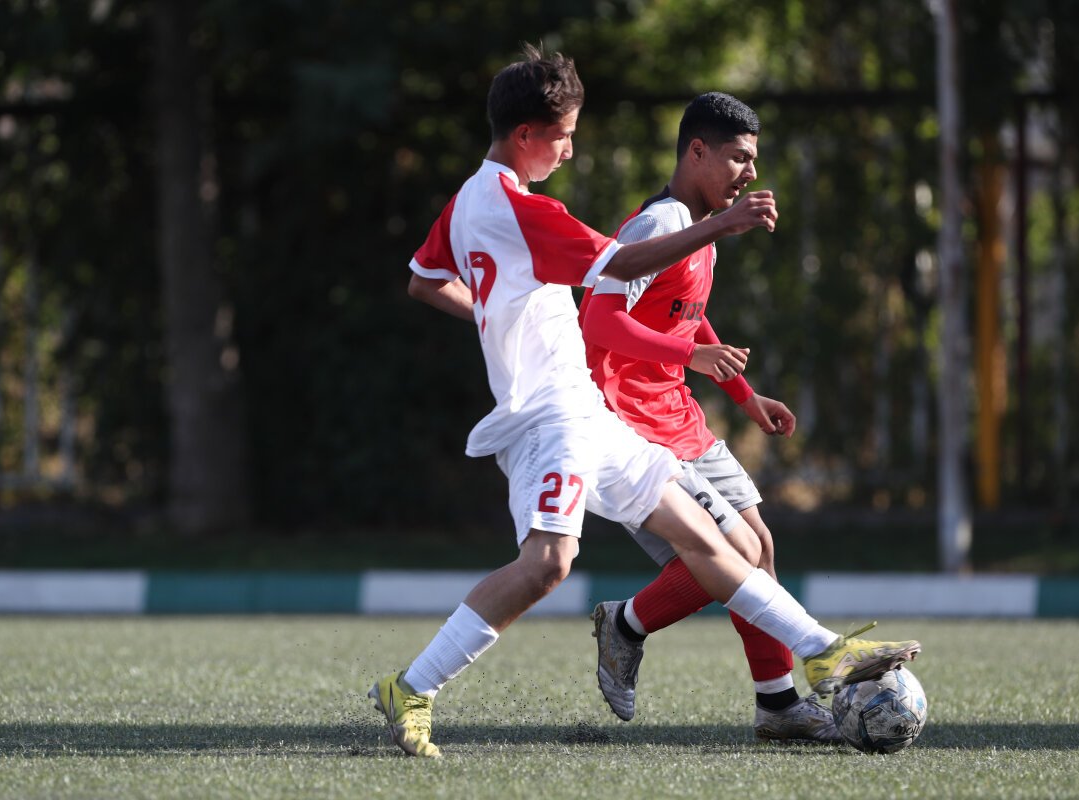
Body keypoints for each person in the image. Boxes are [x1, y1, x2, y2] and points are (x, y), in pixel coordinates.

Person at [368, 44, 920, 759]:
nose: (569, 151)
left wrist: (496, 315)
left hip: (586, 411)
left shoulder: (467, 200)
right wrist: (720, 224)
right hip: (550, 416)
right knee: (547, 564)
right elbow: (623, 265)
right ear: (527, 134)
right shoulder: (525, 210)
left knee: (712, 541)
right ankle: (412, 687)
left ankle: (822, 653)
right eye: (564, 136)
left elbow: (424, 279)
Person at [579, 92, 837, 742]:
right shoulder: (655, 225)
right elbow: (598, 321)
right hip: (628, 423)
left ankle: (777, 705)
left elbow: (688, 314)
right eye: (739, 158)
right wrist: (689, 356)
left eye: (754, 159)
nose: (751, 173)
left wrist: (747, 397)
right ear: (697, 151)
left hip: (678, 414)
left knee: (760, 546)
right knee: (732, 554)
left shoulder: (704, 230)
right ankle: (625, 625)